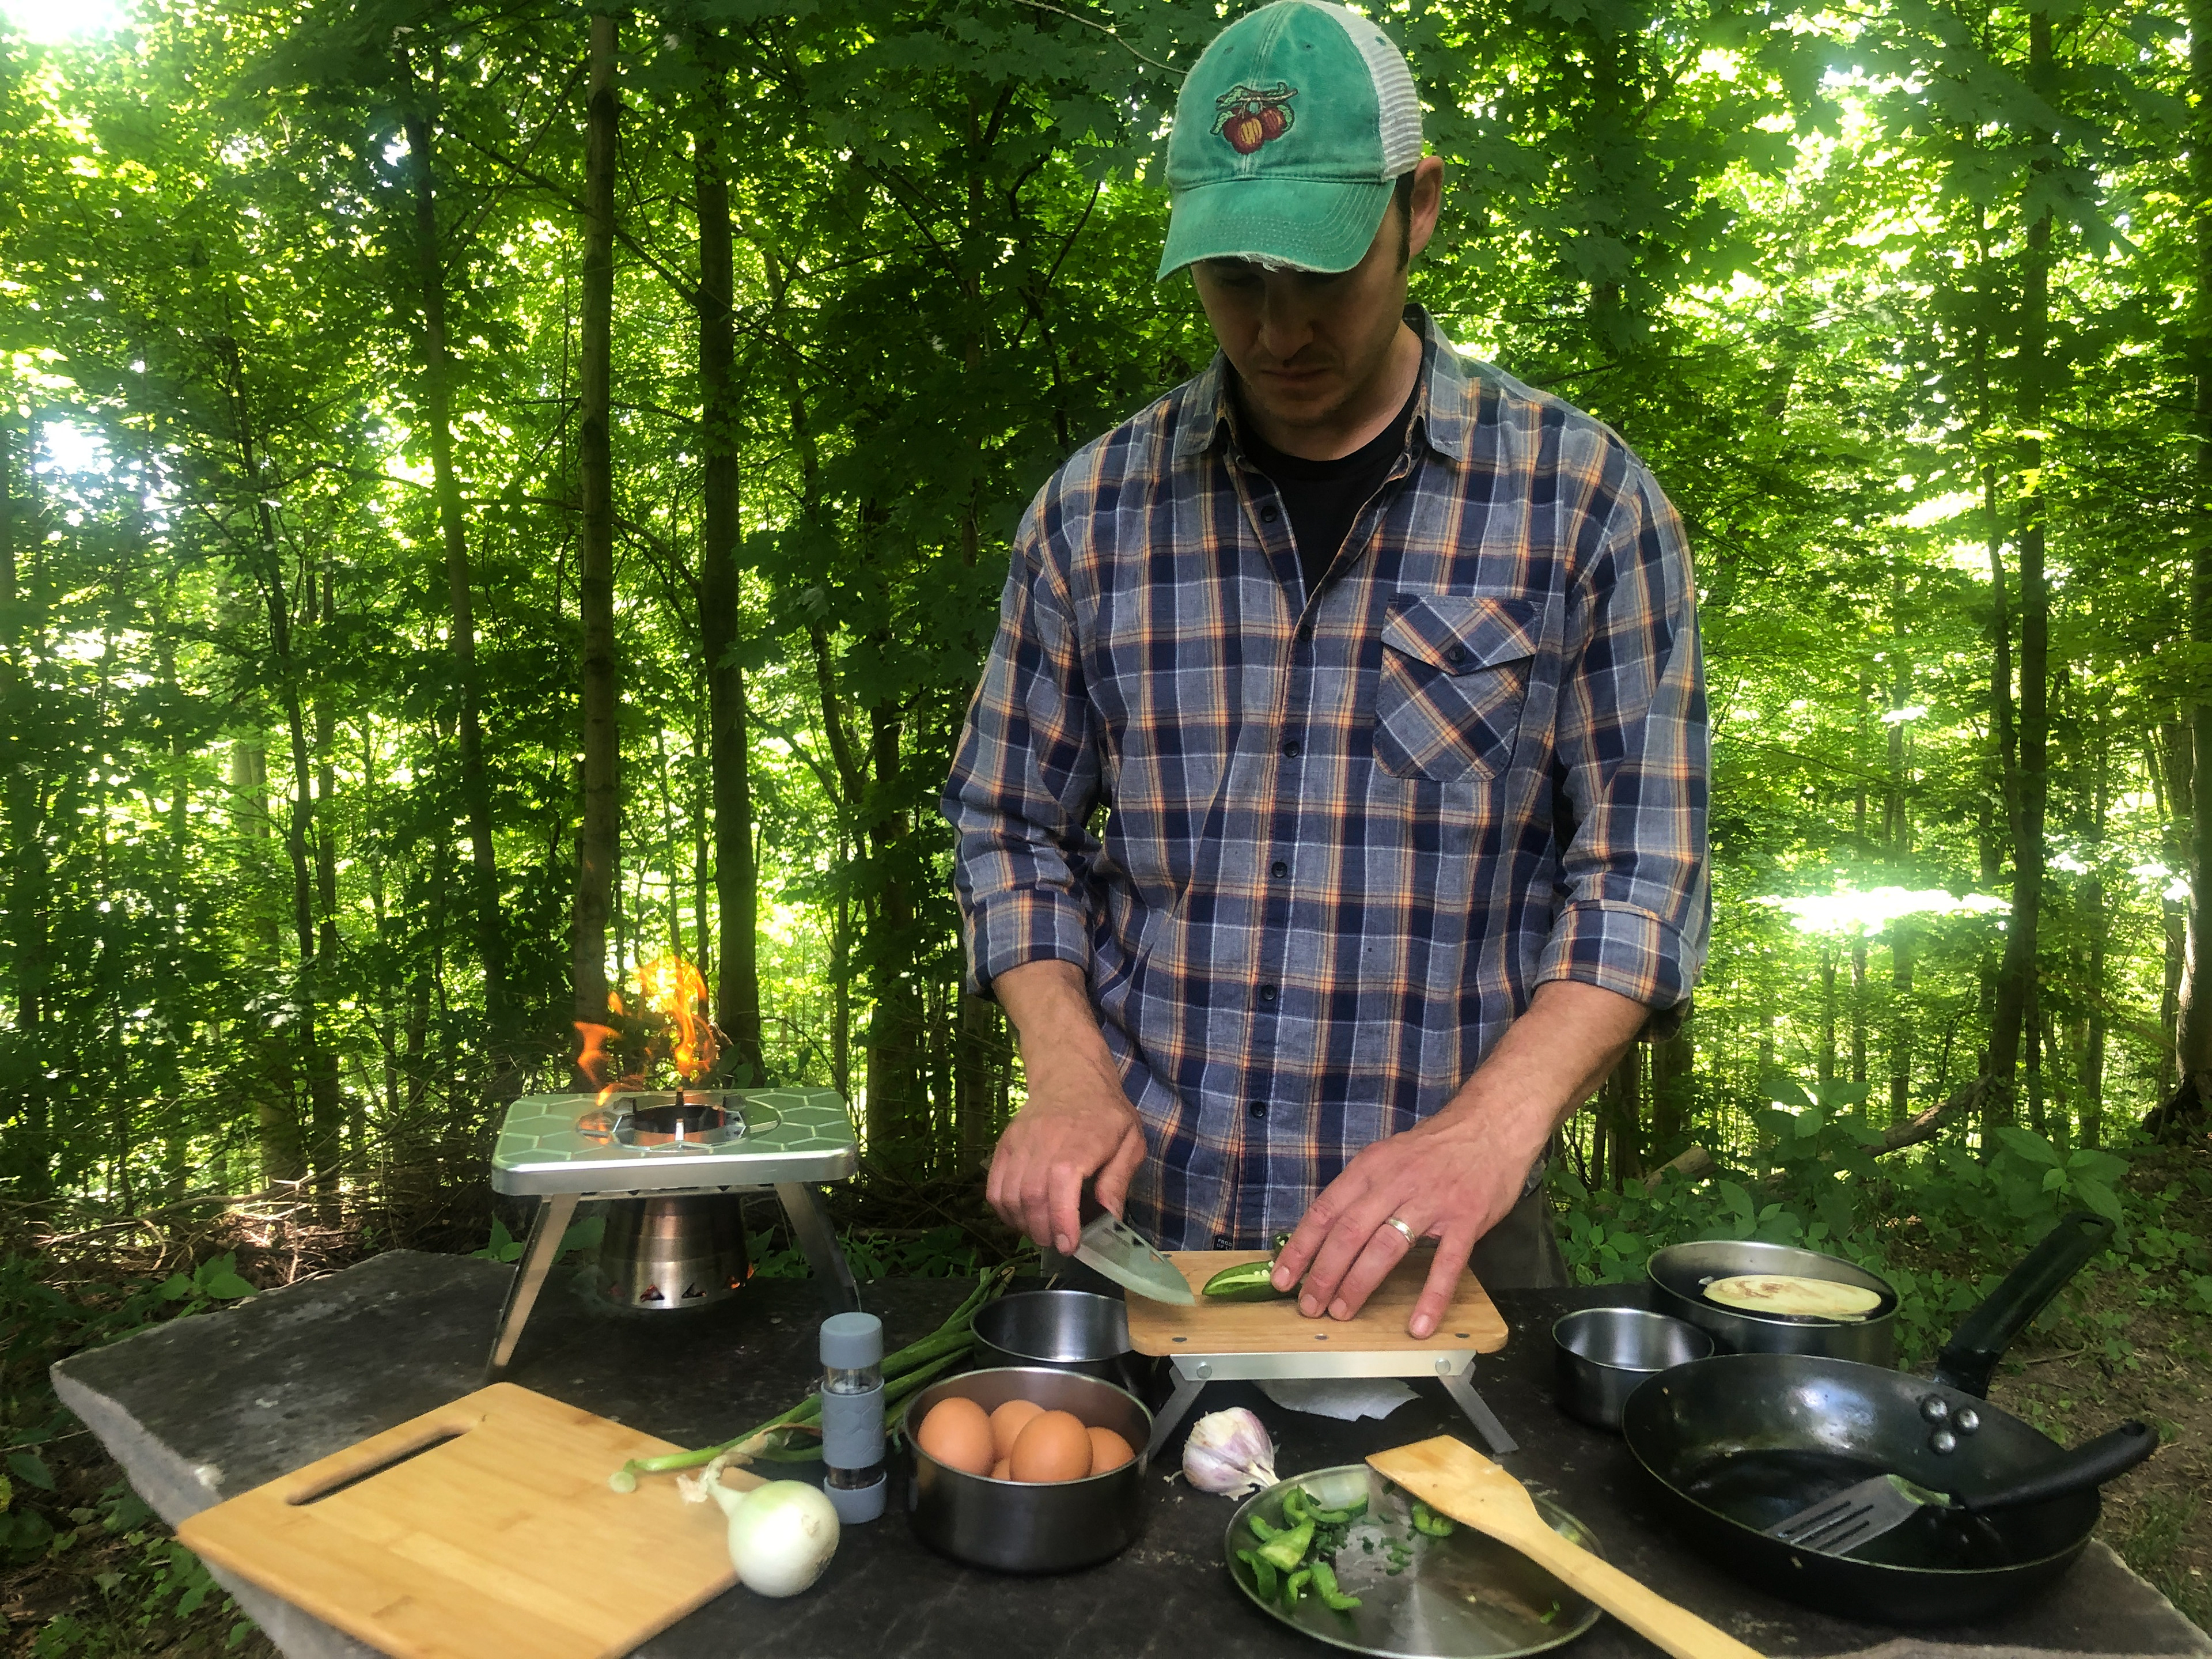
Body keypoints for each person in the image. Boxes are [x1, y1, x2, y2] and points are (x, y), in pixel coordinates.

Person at [941, 0, 1708, 1337]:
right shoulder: (1091, 515)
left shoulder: (1583, 503)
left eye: (1319, 271)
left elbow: (1645, 871)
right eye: (1238, 277)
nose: (1279, 328)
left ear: (1418, 210)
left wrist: (1490, 1131)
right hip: (1143, 1242)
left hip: (1444, 1255)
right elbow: (1006, 822)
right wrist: (1064, 1074)